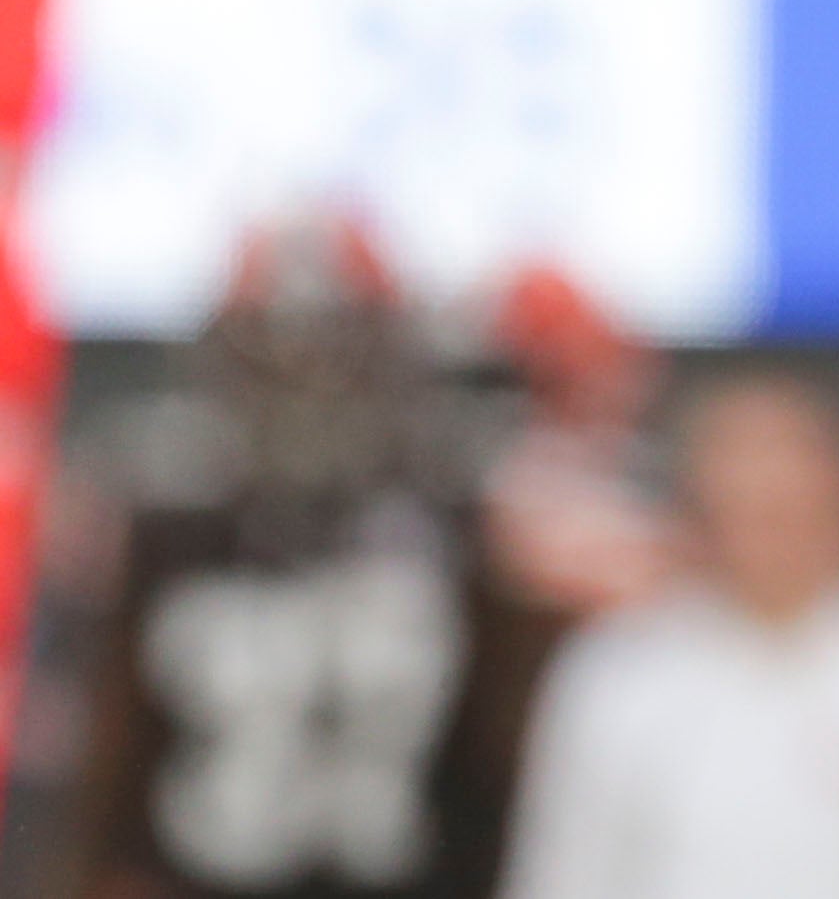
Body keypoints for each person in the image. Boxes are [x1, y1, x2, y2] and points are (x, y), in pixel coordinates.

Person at [63, 216, 558, 899]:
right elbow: (118, 741)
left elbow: (490, 754)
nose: (311, 382)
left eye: (339, 347)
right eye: (279, 346)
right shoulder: (173, 520)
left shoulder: (454, 523)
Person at [497, 377, 839, 899]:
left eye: (790, 464)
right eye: (738, 472)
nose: (764, 492)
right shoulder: (616, 674)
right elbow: (562, 880)